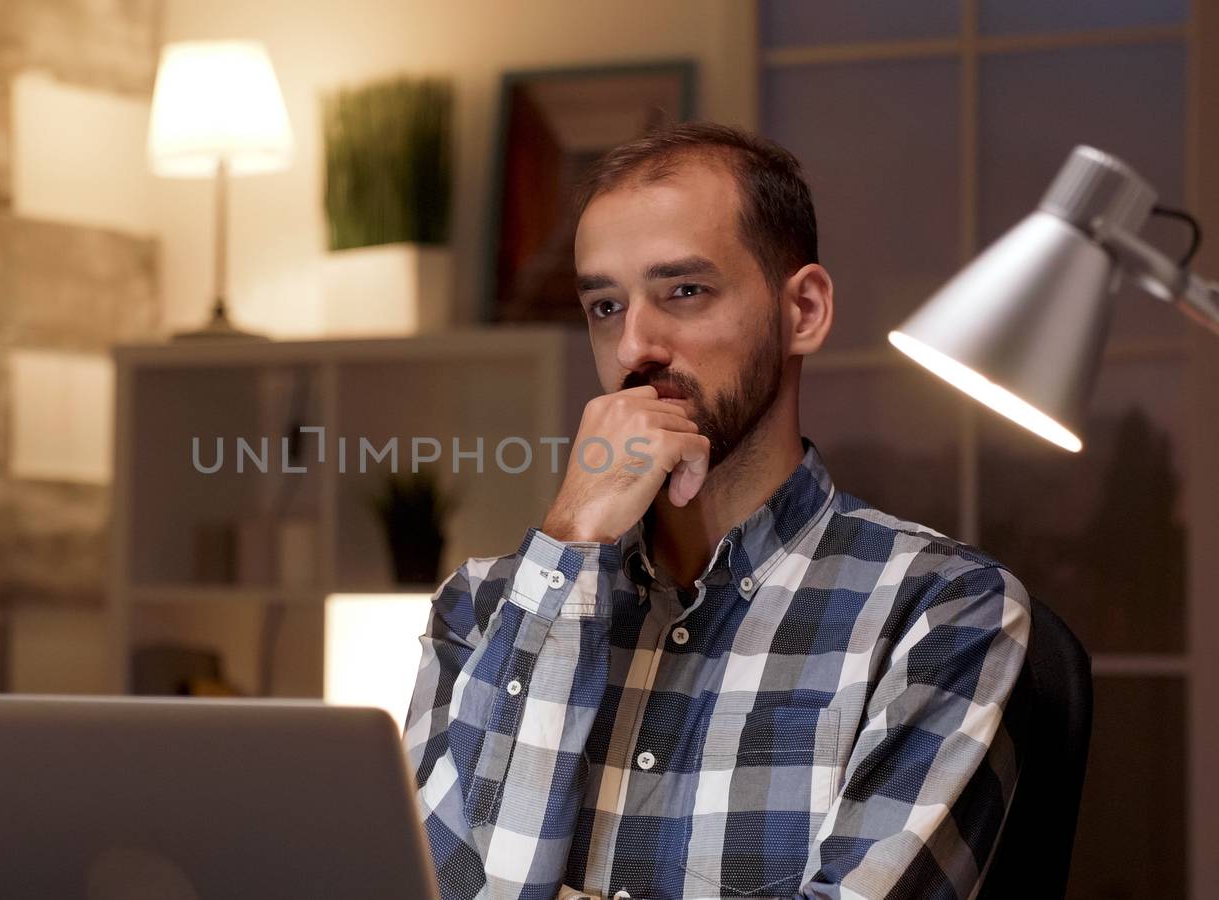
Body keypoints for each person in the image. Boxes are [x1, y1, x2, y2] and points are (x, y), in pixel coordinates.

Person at [403, 123, 1031, 900]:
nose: (636, 347)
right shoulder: (482, 611)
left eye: (684, 292)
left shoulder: (941, 610)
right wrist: (573, 539)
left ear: (803, 309)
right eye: (605, 305)